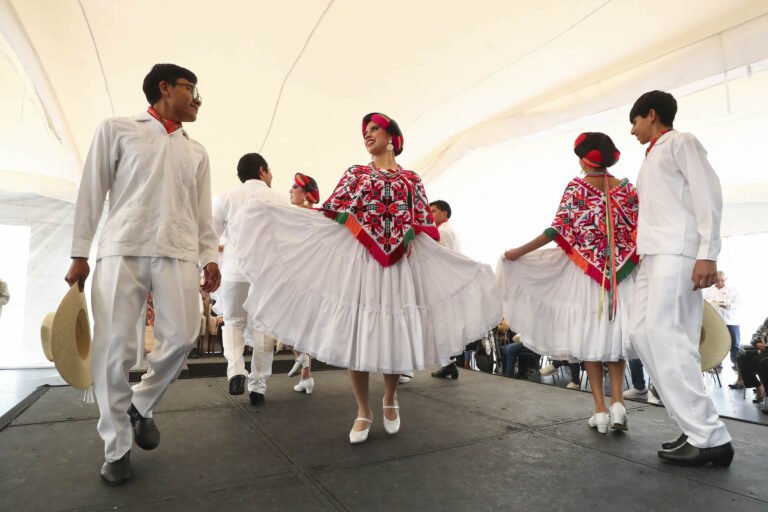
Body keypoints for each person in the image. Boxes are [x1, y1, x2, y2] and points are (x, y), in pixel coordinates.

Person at [230, 112, 501, 444]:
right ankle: (363, 410)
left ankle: (390, 398)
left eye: (374, 129)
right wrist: (282, 216)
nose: (368, 135)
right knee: (357, 335)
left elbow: (424, 225)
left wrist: (449, 258)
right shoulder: (356, 174)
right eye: (365, 131)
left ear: (392, 137)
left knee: (392, 333)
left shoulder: (411, 179)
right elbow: (331, 212)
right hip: (361, 263)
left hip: (400, 266)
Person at [65, 63, 220, 485]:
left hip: (177, 249)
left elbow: (203, 212)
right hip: (121, 248)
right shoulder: (117, 128)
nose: (197, 97)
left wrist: (210, 256)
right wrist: (80, 253)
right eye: (191, 87)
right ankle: (116, 448)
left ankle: (141, 403)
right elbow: (91, 191)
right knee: (113, 350)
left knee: (185, 335)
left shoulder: (197, 150)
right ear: (165, 88)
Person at [499, 132, 638, 434]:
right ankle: (618, 404)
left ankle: (599, 409)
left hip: (586, 277)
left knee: (590, 338)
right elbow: (639, 232)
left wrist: (518, 252)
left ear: (583, 159)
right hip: (621, 277)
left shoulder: (577, 188)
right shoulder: (628, 190)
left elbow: (557, 232)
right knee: (615, 340)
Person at [627, 90, 733, 467]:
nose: (633, 131)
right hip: (652, 255)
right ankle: (693, 426)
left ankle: (710, 437)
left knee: (670, 337)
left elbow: (709, 195)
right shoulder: (652, 155)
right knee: (641, 333)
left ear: (651, 114)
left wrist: (709, 253)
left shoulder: (681, 142)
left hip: (678, 251)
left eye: (635, 122)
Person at [213, 153, 287, 402]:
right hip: (267, 275)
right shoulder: (278, 198)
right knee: (263, 328)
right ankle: (258, 386)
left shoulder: (226, 198)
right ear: (262, 170)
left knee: (233, 323)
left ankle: (235, 370)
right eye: (270, 171)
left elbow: (210, 235)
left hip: (234, 272)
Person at [286, 172, 321, 394]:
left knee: (287, 325)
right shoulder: (318, 216)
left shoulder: (294, 215)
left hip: (299, 277)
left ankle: (303, 360)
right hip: (310, 277)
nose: (290, 190)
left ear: (305, 194)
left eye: (294, 187)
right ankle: (306, 376)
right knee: (297, 328)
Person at [430, 199, 461, 380]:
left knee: (439, 324)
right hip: (445, 284)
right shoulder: (445, 230)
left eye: (433, 211)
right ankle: (447, 364)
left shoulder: (442, 231)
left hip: (443, 284)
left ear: (444, 213)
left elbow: (441, 258)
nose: (430, 214)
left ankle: (448, 364)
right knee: (438, 325)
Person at [703, 271, 740, 375]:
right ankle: (717, 366)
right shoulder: (710, 290)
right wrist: (713, 303)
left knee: (735, 345)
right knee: (716, 345)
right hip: (716, 322)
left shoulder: (732, 289)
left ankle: (737, 367)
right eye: (717, 280)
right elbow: (705, 302)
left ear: (725, 279)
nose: (719, 282)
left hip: (731, 321)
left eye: (722, 280)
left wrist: (729, 306)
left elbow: (738, 303)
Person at [735, 317, 768, 412]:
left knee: (759, 362)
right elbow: (757, 334)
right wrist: (757, 343)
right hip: (764, 349)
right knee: (742, 355)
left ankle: (765, 389)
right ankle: (758, 386)